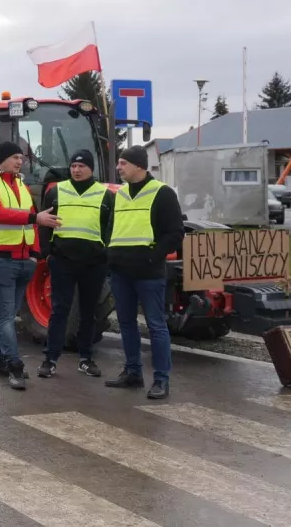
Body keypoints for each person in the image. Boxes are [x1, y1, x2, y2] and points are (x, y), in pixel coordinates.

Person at [0, 141, 61, 390]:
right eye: (14, 157)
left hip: (23, 260)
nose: (19, 161)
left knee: (7, 315)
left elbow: (32, 223)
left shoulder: (21, 186)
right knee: (5, 316)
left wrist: (34, 255)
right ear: (1, 159)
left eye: (21, 158)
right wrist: (36, 217)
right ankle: (14, 365)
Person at [105, 145, 182, 400]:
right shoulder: (120, 194)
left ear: (139, 165)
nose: (119, 168)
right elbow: (111, 229)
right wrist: (110, 255)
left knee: (156, 325)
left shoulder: (162, 193)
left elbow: (174, 234)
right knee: (126, 324)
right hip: (121, 272)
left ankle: (161, 379)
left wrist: (153, 256)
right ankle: (133, 372)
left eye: (123, 163)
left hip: (148, 273)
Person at [36, 150, 113, 379]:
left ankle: (86, 359)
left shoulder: (105, 195)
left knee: (89, 313)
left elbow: (110, 227)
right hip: (63, 262)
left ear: (91, 169)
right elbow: (44, 223)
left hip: (93, 264)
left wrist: (105, 254)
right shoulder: (57, 192)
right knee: (60, 311)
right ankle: (50, 360)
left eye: (81, 166)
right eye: (73, 166)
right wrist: (47, 253)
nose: (77, 170)